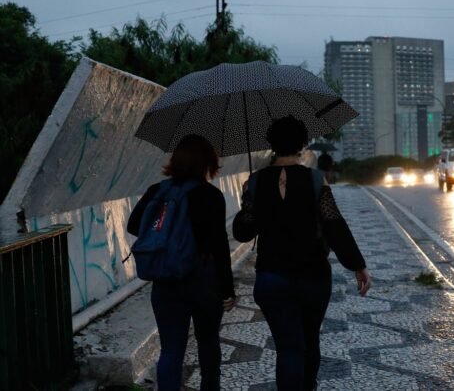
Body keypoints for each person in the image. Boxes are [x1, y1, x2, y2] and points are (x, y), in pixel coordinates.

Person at [233, 115, 371, 391]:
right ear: (301, 144)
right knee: (309, 340)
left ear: (272, 144)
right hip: (313, 278)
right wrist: (357, 265)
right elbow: (334, 226)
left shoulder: (257, 182)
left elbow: (242, 233)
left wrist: (248, 198)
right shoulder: (316, 180)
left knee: (288, 348)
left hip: (271, 278)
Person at [127, 134, 236, 391]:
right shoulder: (210, 195)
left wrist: (164, 233)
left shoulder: (158, 191)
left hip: (166, 280)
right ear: (207, 163)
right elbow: (220, 246)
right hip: (203, 281)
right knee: (208, 342)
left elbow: (134, 226)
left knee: (171, 349)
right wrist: (227, 289)